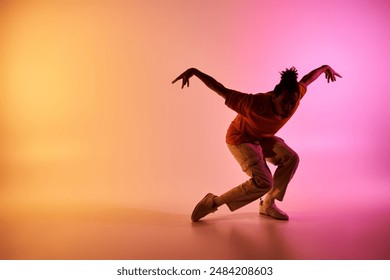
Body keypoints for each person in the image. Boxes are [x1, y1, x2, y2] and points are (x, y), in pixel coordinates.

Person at [172, 65, 341, 221]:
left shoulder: (296, 95)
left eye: (292, 103)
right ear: (274, 96)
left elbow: (308, 79)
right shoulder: (252, 104)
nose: (288, 108)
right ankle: (214, 202)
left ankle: (268, 205)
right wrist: (194, 71)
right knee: (264, 182)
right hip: (240, 139)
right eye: (284, 103)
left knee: (292, 158)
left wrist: (325, 67)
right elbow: (221, 89)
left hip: (263, 137)